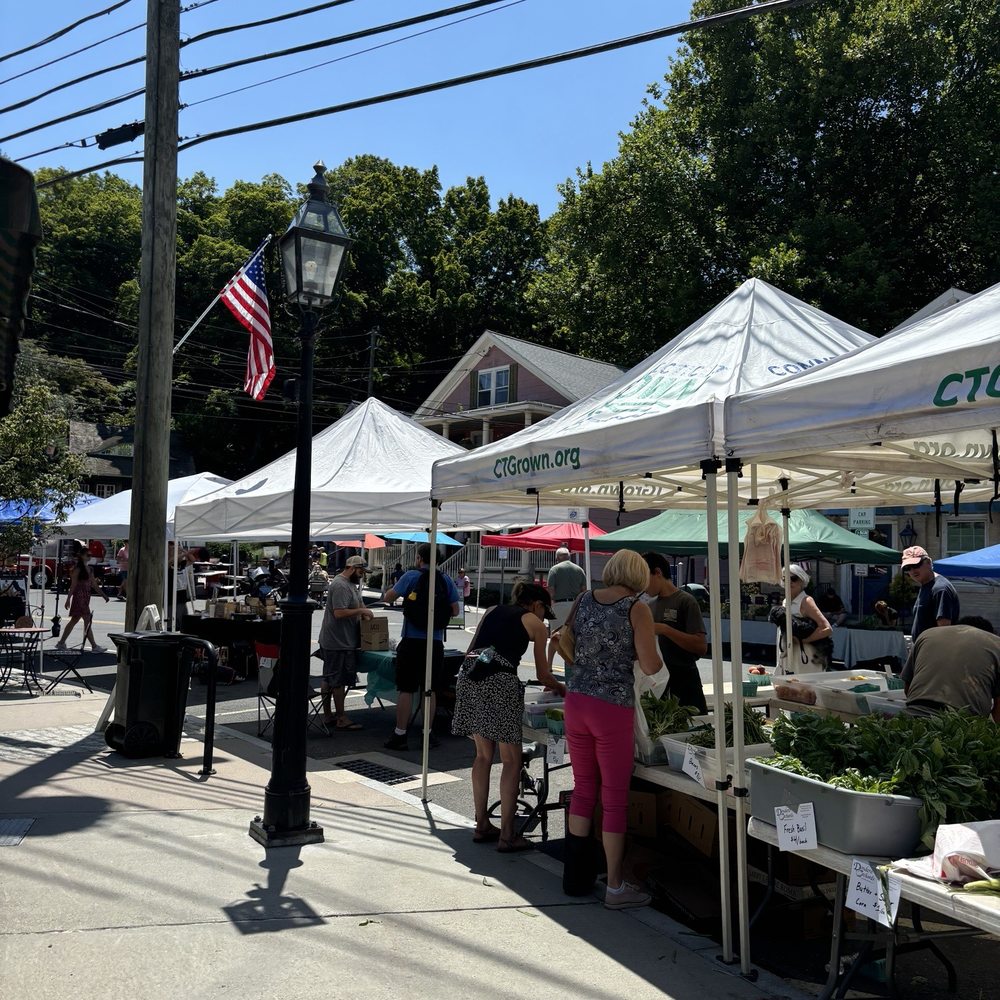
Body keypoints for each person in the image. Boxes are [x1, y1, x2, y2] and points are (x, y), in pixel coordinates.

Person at [562, 549, 662, 910]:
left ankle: (574, 877)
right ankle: (616, 886)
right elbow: (651, 665)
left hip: (576, 701)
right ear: (638, 575)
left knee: (584, 788)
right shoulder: (637, 607)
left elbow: (563, 639)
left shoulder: (584, 598)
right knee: (615, 797)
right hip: (612, 707)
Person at [452, 582, 562, 850]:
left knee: (482, 755)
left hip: (469, 674)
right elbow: (544, 674)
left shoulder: (491, 610)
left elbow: (472, 649)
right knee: (511, 760)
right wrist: (562, 688)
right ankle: (508, 835)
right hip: (500, 683)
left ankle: (482, 824)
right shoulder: (534, 624)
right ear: (537, 605)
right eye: (543, 612)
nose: (542, 619)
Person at [382, 543, 460, 751]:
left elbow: (388, 597)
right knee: (431, 689)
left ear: (419, 558)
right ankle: (428, 733)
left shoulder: (411, 577)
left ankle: (400, 734)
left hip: (411, 639)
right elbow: (455, 610)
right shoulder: (445, 579)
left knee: (406, 688)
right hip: (434, 641)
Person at [642, 552, 708, 713]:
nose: (642, 586)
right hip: (658, 683)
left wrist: (665, 629)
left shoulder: (685, 601)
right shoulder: (648, 606)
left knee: (694, 731)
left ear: (658, 573)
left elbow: (701, 646)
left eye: (645, 579)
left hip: (685, 680)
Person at [902, 616, 1000, 720]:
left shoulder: (927, 634)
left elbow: (908, 687)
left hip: (913, 715)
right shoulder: (995, 643)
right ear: (989, 633)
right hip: (963, 725)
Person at [318, 555, 372, 729]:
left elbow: (358, 606)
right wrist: (361, 610)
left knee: (329, 677)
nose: (363, 574)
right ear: (352, 568)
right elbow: (339, 613)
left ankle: (328, 716)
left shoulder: (351, 585)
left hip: (340, 640)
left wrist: (363, 612)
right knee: (337, 680)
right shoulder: (341, 585)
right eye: (361, 571)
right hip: (337, 641)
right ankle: (340, 718)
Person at [774, 564, 833, 674]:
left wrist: (804, 640)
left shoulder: (806, 601)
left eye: (794, 578)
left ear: (801, 580)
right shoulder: (786, 601)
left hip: (805, 657)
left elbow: (827, 628)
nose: (789, 582)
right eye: (785, 578)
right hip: (788, 655)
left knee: (805, 689)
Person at [57, 541, 109, 651]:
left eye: (90, 555)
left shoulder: (90, 569)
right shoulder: (77, 569)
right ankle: (94, 646)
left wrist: (104, 595)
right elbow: (73, 585)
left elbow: (94, 585)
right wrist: (68, 599)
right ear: (81, 556)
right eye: (87, 555)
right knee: (87, 620)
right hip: (79, 597)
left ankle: (61, 642)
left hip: (86, 597)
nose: (89, 557)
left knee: (75, 620)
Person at [901, 545, 959, 641]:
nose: (912, 571)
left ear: (928, 562)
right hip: (923, 649)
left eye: (916, 565)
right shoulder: (926, 586)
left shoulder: (940, 589)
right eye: (908, 568)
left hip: (933, 651)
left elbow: (944, 631)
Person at [547, 547, 587, 629]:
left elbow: (551, 590)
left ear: (557, 557)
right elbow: (584, 590)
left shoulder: (554, 569)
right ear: (569, 557)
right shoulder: (579, 570)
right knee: (573, 634)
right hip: (575, 606)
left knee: (557, 634)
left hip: (559, 605)